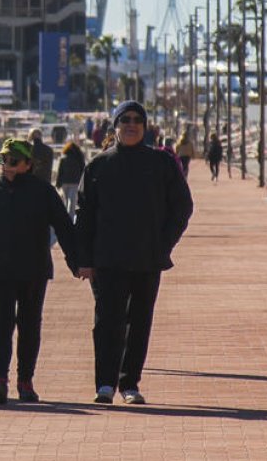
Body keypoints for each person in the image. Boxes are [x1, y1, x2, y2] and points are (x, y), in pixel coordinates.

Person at [75, 100, 194, 405]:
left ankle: (130, 383)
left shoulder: (162, 164)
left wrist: (163, 243)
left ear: (144, 126)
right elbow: (83, 215)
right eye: (124, 119)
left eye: (137, 120)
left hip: (147, 258)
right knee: (107, 323)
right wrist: (84, 260)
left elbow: (182, 206)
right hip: (107, 260)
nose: (131, 124)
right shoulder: (98, 166)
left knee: (139, 322)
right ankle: (104, 383)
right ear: (114, 126)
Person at [0, 138, 78, 405]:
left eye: (13, 161)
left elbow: (64, 228)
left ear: (28, 164)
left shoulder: (43, 191)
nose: (6, 165)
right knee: (0, 326)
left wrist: (77, 261)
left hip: (32, 271)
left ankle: (25, 382)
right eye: (3, 160)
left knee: (29, 326)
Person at [55, 140, 86, 216]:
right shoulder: (79, 158)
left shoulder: (63, 158)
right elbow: (83, 170)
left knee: (66, 201)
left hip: (65, 182)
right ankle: (70, 218)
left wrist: (58, 183)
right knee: (72, 202)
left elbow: (60, 172)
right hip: (75, 182)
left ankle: (65, 217)